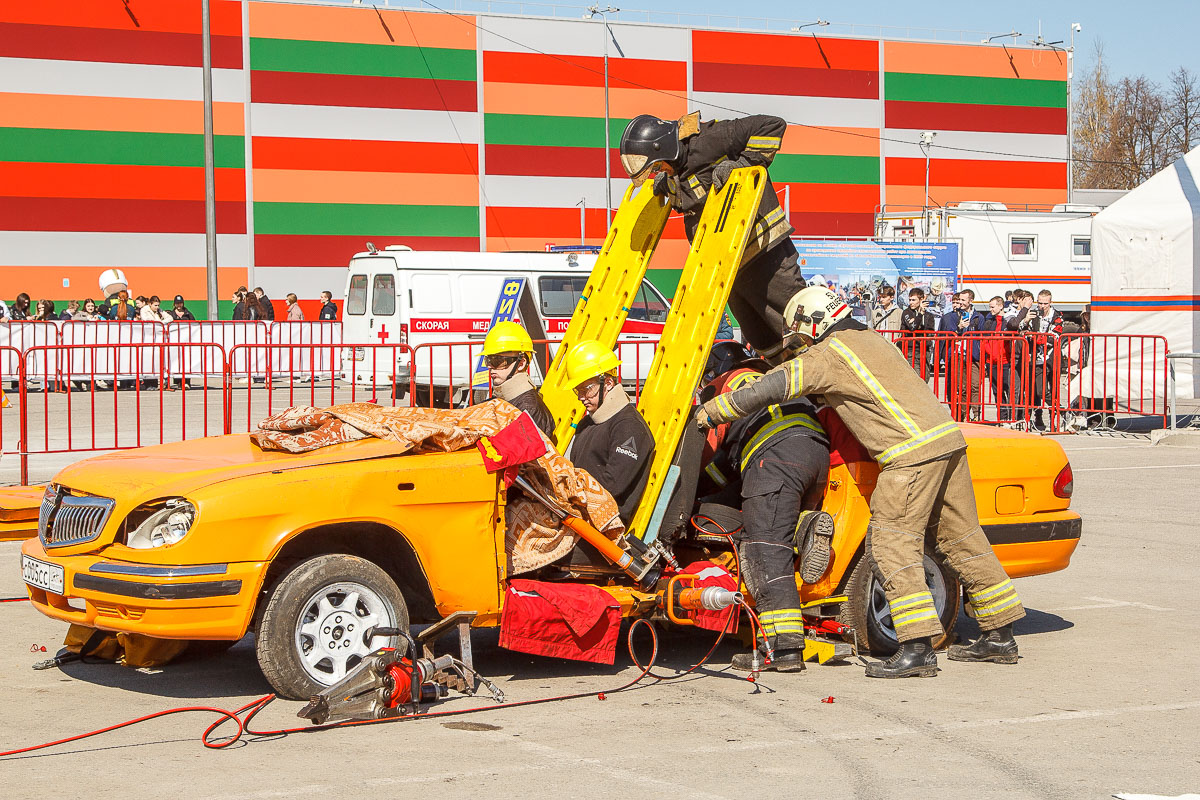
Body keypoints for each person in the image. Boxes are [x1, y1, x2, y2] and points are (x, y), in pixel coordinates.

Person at [695, 285, 1026, 678]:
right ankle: (1000, 635)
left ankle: (917, 647)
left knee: (891, 543)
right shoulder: (868, 339)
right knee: (962, 539)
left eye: (800, 336)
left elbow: (774, 385)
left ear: (812, 325)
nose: (801, 344)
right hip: (947, 442)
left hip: (909, 454)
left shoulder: (829, 354)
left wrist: (713, 412)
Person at [619, 112, 804, 363]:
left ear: (664, 148)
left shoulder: (709, 139)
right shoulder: (675, 171)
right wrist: (666, 184)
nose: (657, 171)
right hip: (729, 267)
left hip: (765, 255)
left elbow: (772, 125)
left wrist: (743, 165)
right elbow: (692, 199)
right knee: (764, 341)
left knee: (801, 326)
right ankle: (796, 398)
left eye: (657, 165)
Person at [701, 364, 834, 673]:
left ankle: (785, 648)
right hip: (814, 453)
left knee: (764, 551)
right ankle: (806, 527)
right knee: (780, 531)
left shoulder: (722, 387)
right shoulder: (769, 375)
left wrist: (696, 489)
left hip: (774, 461)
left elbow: (714, 456)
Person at [564, 340, 654, 525]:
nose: (581, 398)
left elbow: (612, 485)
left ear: (609, 383)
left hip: (604, 524)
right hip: (581, 517)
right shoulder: (587, 423)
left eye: (586, 390)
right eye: (577, 390)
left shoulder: (629, 426)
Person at [480, 321, 555, 442]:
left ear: (521, 363)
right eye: (488, 360)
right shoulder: (503, 399)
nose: (490, 366)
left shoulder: (529, 409)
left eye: (498, 361)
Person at [1028, 290, 1064, 430]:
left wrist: (1035, 337)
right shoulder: (1034, 315)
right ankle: (1063, 412)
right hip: (1037, 359)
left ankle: (1054, 421)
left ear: (1051, 303)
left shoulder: (1058, 316)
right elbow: (1025, 330)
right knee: (1040, 391)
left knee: (1054, 390)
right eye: (1040, 303)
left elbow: (1053, 337)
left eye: (1045, 303)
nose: (1042, 306)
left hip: (1052, 358)